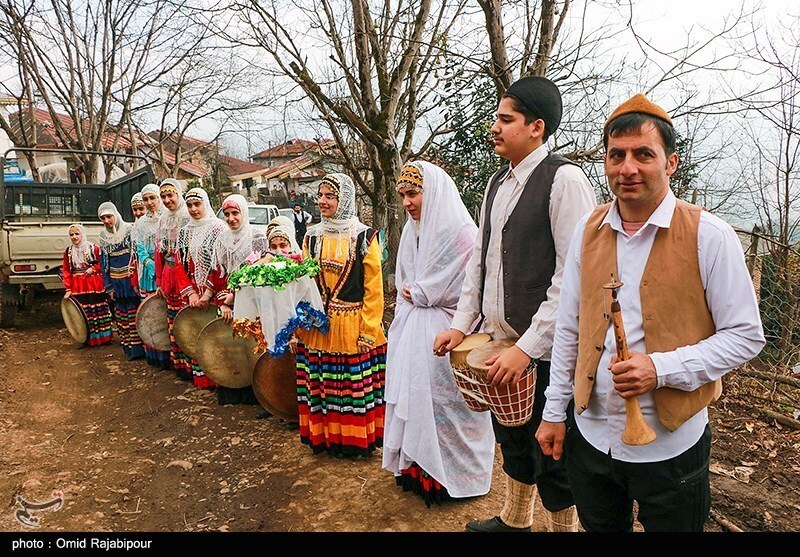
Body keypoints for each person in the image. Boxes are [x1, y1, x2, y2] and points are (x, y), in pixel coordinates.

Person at [535, 94, 766, 532]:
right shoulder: (589, 230)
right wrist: (553, 413)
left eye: (644, 154)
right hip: (592, 438)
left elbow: (745, 335)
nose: (628, 168)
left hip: (672, 447)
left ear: (671, 162)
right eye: (616, 155)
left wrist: (659, 370)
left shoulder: (709, 236)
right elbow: (570, 328)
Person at [433, 76, 596, 532]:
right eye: (497, 118)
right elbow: (479, 265)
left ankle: (563, 531)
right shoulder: (494, 185)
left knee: (552, 449)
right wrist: (462, 325)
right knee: (513, 438)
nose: (495, 127)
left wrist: (527, 347)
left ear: (537, 127)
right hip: (501, 340)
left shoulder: (565, 180)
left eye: (506, 119)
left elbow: (574, 277)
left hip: (549, 351)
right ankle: (516, 519)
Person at [382, 160, 495, 508]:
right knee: (418, 403)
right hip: (414, 334)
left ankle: (460, 476)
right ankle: (422, 473)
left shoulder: (464, 235)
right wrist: (413, 294)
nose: (407, 203)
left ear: (433, 192)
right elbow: (405, 282)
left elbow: (475, 293)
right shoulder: (414, 231)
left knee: (453, 406)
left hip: (452, 335)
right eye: (402, 195)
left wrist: (422, 292)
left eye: (413, 193)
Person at [296, 173, 387, 458]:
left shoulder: (364, 236)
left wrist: (368, 330)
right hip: (319, 326)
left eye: (329, 196)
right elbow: (304, 281)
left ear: (343, 200)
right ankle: (326, 439)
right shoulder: (312, 236)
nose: (322, 201)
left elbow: (374, 289)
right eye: (320, 196)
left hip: (352, 325)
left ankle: (354, 443)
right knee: (324, 384)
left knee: (349, 386)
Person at [209, 193, 266, 406]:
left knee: (252, 345)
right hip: (227, 301)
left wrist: (236, 296)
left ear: (244, 212)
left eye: (235, 213)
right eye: (227, 214)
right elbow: (218, 274)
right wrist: (224, 302)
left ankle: (257, 395)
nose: (231, 218)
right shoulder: (221, 240)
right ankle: (233, 391)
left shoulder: (257, 237)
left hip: (252, 300)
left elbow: (260, 274)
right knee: (230, 345)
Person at [179, 187, 227, 390]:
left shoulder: (218, 229)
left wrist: (207, 293)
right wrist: (190, 292)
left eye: (197, 204)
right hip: (192, 292)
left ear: (206, 204)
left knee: (215, 337)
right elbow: (178, 263)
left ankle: (219, 379)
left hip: (214, 292)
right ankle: (200, 379)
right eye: (189, 205)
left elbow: (220, 264)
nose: (193, 209)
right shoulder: (184, 231)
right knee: (195, 334)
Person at [154, 178, 194, 381]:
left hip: (186, 276)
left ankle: (194, 368)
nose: (167, 200)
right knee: (173, 321)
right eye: (164, 197)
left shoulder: (188, 216)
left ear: (179, 194)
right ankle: (180, 366)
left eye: (170, 195)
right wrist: (160, 280)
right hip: (170, 276)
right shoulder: (163, 219)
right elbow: (159, 253)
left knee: (187, 321)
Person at [130, 184, 171, 370]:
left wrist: (162, 268)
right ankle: (155, 355)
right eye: (145, 199)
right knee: (151, 313)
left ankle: (171, 356)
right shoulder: (140, 224)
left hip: (167, 272)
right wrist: (151, 266)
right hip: (149, 274)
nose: (149, 203)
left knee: (166, 313)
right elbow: (139, 249)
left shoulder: (168, 218)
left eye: (152, 198)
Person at [97, 201, 144, 360]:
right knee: (121, 315)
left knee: (134, 313)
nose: (106, 221)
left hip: (130, 280)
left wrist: (136, 279)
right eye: (102, 218)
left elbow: (136, 256)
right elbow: (104, 264)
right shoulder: (103, 237)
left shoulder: (129, 231)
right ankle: (128, 349)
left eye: (109, 216)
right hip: (116, 283)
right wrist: (108, 286)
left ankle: (140, 350)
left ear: (115, 215)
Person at [61, 223, 114, 347]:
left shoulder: (93, 248)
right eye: (71, 235)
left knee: (98, 310)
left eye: (77, 234)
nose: (74, 237)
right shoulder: (68, 252)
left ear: (82, 234)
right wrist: (68, 288)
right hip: (78, 286)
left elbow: (103, 264)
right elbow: (66, 270)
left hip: (94, 283)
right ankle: (86, 339)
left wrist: (93, 269)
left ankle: (104, 338)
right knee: (83, 313)